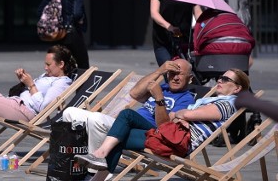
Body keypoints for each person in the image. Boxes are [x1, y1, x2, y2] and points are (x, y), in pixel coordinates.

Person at [75, 69, 249, 174]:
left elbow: (186, 115)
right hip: (169, 135)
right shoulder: (212, 101)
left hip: (176, 143)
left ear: (237, 88)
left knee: (123, 123)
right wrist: (182, 115)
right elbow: (179, 115)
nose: (220, 80)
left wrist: (183, 115)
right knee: (118, 134)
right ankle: (96, 173)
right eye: (220, 77)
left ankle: (96, 170)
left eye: (226, 79)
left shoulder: (228, 104)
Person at [62, 58, 196, 181]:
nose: (175, 77)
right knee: (72, 113)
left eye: (180, 74)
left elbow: (165, 127)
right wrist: (159, 71)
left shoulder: (186, 99)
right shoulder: (163, 87)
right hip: (130, 127)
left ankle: (99, 156)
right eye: (172, 73)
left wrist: (159, 98)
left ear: (190, 79)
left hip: (154, 133)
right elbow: (134, 93)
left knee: (126, 114)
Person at [0, 44, 77, 159]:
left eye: (49, 65)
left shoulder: (62, 82)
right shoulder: (47, 76)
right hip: (13, 102)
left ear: (61, 64)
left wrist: (31, 85)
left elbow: (43, 108)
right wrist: (23, 81)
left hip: (24, 111)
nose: (45, 67)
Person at [38, 0, 89, 69]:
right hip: (72, 33)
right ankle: (81, 87)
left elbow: (41, 9)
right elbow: (77, 14)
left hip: (57, 34)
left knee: (63, 67)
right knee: (83, 67)